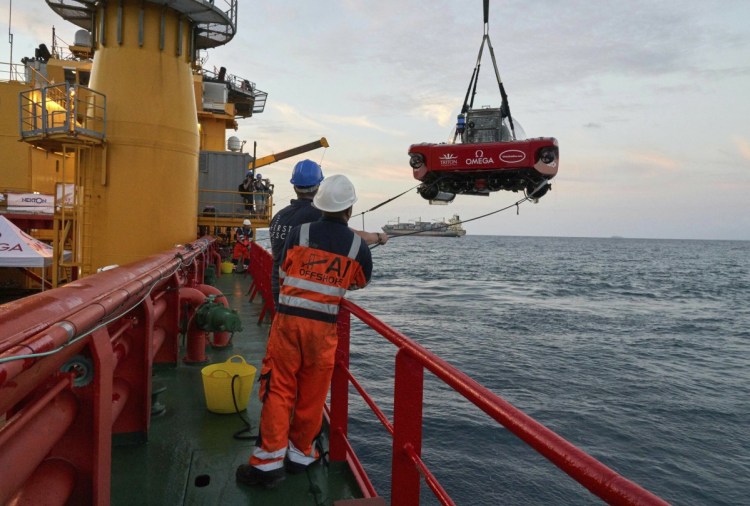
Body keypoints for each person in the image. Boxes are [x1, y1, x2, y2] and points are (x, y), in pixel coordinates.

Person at [236, 175, 372, 488]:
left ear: (321, 204)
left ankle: (268, 464)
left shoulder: (300, 232)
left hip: (289, 322)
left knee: (279, 389)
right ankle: (300, 454)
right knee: (312, 393)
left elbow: (283, 270)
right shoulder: (357, 246)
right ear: (349, 209)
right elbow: (359, 282)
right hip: (323, 329)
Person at [268, 159, 388, 308]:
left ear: (294, 186)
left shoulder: (279, 216)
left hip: (278, 288)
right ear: (318, 186)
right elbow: (347, 237)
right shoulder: (316, 214)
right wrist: (378, 237)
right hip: (303, 295)